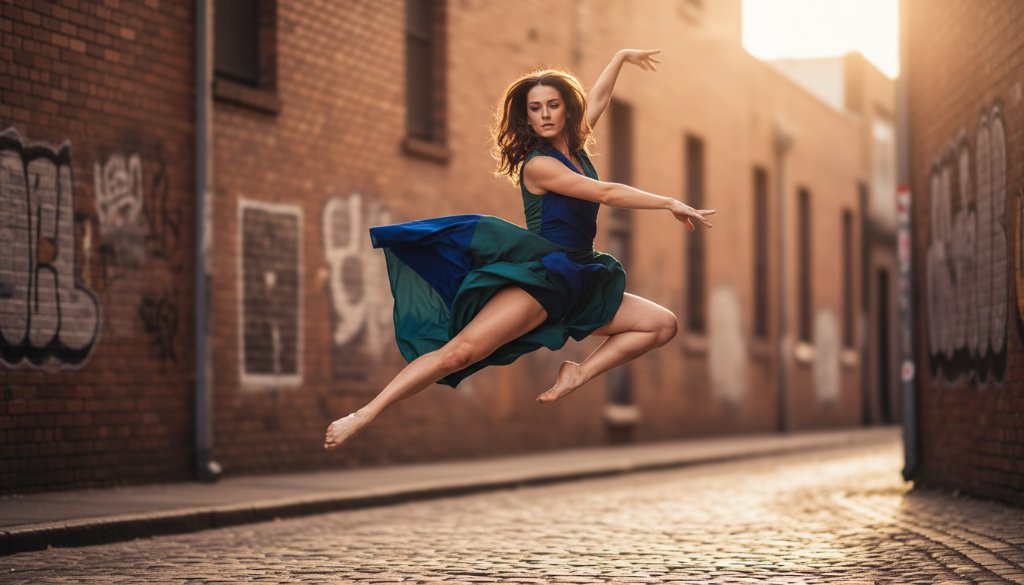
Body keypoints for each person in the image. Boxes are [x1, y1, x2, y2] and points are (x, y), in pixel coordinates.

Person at [324, 49, 716, 450]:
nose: (544, 114)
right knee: (459, 353)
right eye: (535, 108)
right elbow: (605, 193)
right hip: (543, 279)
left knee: (661, 324)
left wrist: (619, 59)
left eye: (553, 105)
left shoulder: (576, 151)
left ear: (567, 111)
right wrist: (668, 202)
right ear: (526, 117)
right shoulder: (539, 165)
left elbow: (596, 100)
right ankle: (365, 414)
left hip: (582, 276)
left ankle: (577, 374)